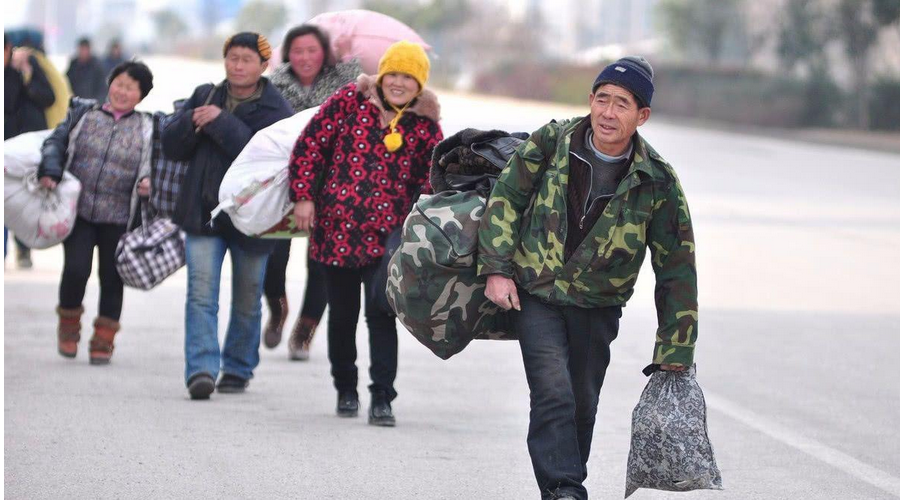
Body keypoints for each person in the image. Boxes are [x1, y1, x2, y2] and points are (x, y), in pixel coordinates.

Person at [477, 56, 698, 500]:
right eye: (602, 99)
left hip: (598, 304)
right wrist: (497, 271)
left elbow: (676, 264)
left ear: (642, 116)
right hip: (536, 292)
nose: (608, 113)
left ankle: (563, 483)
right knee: (553, 391)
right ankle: (565, 489)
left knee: (582, 401)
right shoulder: (551, 141)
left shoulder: (656, 180)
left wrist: (676, 346)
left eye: (622, 104)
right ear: (590, 101)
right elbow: (506, 199)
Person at [289, 41, 443, 426]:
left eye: (408, 77)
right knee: (341, 315)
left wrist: (421, 225)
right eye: (393, 73)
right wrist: (303, 197)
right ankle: (345, 388)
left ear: (419, 84)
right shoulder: (348, 102)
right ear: (381, 75)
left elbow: (433, 181)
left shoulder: (426, 126)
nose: (398, 82)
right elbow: (309, 147)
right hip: (336, 228)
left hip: (390, 238)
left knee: (380, 314)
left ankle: (381, 397)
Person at [162, 32, 292, 400]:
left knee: (248, 297)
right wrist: (189, 121)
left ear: (264, 66)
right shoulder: (205, 94)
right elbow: (171, 147)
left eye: (246, 59)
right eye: (232, 57)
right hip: (204, 213)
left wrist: (220, 123)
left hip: (254, 218)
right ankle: (201, 369)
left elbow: (265, 157)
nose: (237, 65)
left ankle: (237, 366)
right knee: (201, 295)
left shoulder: (275, 108)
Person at [37, 61, 155, 365]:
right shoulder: (84, 114)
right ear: (109, 84)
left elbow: (158, 165)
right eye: (119, 83)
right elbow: (55, 143)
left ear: (141, 95)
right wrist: (50, 169)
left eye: (131, 88)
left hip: (119, 217)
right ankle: (68, 326)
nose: (122, 91)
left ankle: (104, 339)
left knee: (112, 278)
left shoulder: (148, 127)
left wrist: (148, 184)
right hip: (80, 211)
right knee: (76, 270)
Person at [265, 24, 362, 360]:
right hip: (282, 181)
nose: (305, 57)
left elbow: (361, 104)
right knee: (273, 258)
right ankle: (277, 306)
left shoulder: (342, 83)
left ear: (325, 53)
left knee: (321, 262)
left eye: (312, 50)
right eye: (298, 51)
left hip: (332, 184)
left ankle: (305, 330)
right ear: (288, 54)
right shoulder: (275, 84)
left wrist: (349, 59)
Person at [5, 33, 55, 268]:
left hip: (26, 148)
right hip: (8, 146)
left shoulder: (29, 68)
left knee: (21, 200)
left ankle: (23, 250)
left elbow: (48, 98)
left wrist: (26, 75)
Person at [66, 37, 107, 102]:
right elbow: (67, 82)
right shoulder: (74, 65)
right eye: (82, 49)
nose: (83, 52)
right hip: (77, 103)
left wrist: (97, 102)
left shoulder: (96, 66)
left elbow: (102, 89)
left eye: (85, 49)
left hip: (92, 103)